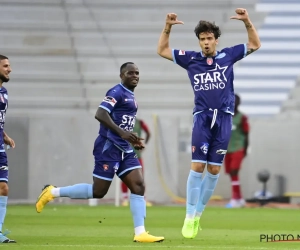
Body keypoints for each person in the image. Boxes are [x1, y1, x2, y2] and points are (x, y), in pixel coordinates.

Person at [157, 8, 260, 239]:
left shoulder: (228, 56)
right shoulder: (191, 59)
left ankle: (197, 216)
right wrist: (168, 27)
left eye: (209, 38)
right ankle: (188, 215)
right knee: (197, 166)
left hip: (224, 117)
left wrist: (247, 22)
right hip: (202, 117)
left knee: (214, 169)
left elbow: (255, 44)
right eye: (202, 39)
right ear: (199, 41)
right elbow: (162, 50)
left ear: (216, 40)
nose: (205, 42)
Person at [35, 62, 164, 243]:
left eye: (137, 73)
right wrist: (121, 133)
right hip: (108, 147)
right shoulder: (116, 92)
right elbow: (100, 114)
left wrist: (131, 139)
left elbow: (123, 122)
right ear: (122, 75)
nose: (135, 76)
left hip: (124, 149)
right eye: (130, 73)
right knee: (99, 191)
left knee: (138, 186)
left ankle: (140, 232)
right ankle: (52, 192)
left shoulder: (131, 96)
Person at [0, 55, 16, 243]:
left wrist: (5, 136)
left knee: (3, 188)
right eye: (5, 66)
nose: (9, 69)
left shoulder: (4, 92)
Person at [225, 94, 249, 208]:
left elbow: (246, 134)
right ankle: (239, 199)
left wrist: (245, 149)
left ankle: (235, 199)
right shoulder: (224, 117)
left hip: (238, 147)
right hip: (227, 149)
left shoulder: (242, 117)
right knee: (231, 173)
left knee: (234, 170)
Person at [121, 118, 152, 207]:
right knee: (125, 177)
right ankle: (125, 198)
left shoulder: (139, 122)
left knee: (140, 177)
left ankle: (142, 198)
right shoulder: (122, 121)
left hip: (137, 154)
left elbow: (148, 133)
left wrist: (144, 144)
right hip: (125, 154)